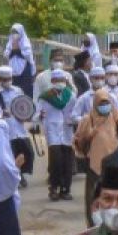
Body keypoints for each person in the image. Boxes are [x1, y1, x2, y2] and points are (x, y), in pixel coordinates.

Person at [76, 88, 118, 218]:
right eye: (101, 103)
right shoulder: (88, 119)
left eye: (106, 103)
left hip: (115, 163)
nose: (105, 106)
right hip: (95, 165)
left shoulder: (115, 116)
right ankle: (93, 225)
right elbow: (78, 142)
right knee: (94, 196)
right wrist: (89, 135)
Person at [39, 69, 77, 201]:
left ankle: (65, 189)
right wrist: (40, 119)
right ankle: (53, 188)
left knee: (67, 161)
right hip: (52, 130)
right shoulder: (45, 97)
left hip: (67, 130)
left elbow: (75, 111)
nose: (59, 83)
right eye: (57, 81)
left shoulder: (71, 95)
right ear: (52, 81)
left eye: (62, 80)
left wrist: (73, 120)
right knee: (55, 160)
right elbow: (38, 113)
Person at [0, 65, 35, 185]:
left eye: (9, 78)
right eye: (4, 79)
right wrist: (1, 113)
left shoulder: (17, 90)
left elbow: (24, 104)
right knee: (10, 154)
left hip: (19, 127)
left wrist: (26, 115)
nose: (7, 81)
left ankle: (21, 173)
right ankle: (14, 176)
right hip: (5, 127)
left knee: (26, 152)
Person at [4, 23, 35, 97]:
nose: (15, 34)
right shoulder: (10, 42)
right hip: (13, 70)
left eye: (16, 32)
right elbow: (6, 54)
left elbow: (27, 55)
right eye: (13, 32)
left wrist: (17, 49)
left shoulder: (25, 42)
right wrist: (13, 48)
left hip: (24, 69)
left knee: (26, 91)